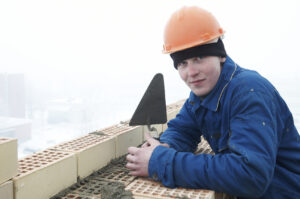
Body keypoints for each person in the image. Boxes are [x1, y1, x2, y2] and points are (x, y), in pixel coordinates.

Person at [126, 6, 300, 199]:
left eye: (198, 58)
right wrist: (165, 146)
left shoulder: (249, 93)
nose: (191, 73)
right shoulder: (203, 94)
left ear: (221, 55)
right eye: (182, 63)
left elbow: (251, 176)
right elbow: (182, 130)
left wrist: (161, 162)